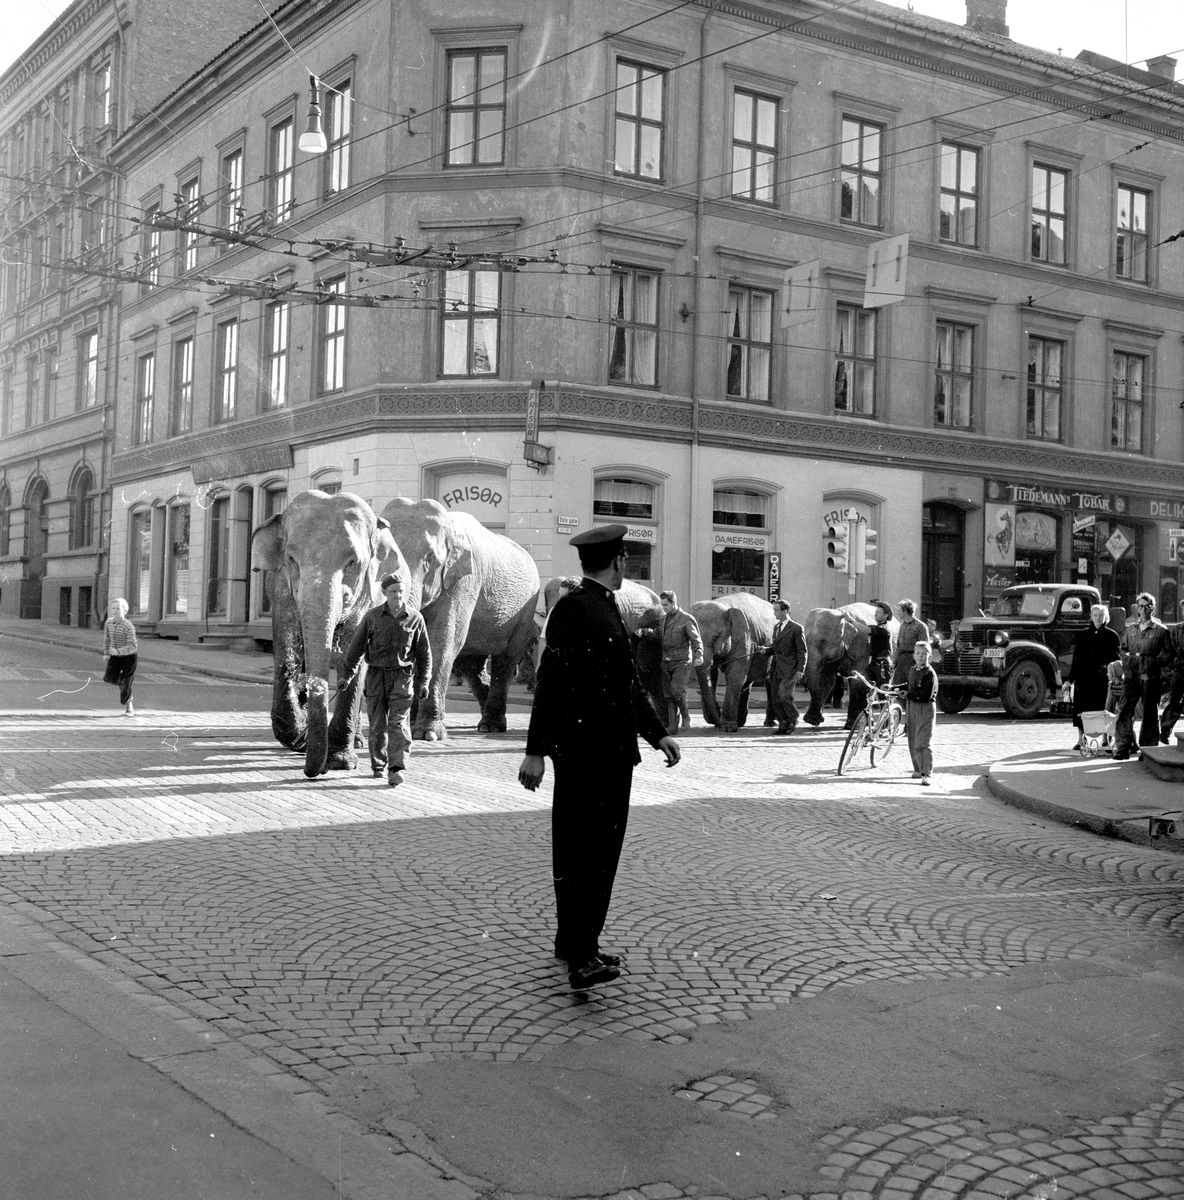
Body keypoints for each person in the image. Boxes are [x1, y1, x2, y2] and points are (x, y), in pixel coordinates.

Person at [518, 524, 680, 992]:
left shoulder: (603, 607)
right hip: (587, 756)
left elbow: (625, 685)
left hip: (607, 755)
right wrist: (534, 752)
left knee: (592, 852)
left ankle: (575, 941)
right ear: (620, 562)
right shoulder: (576, 607)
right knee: (585, 852)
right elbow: (549, 681)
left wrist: (658, 734)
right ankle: (582, 957)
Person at [341, 572, 431, 786]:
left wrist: (425, 681)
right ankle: (379, 765)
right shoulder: (372, 617)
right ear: (384, 593)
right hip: (376, 676)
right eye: (393, 592)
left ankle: (397, 767)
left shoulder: (415, 618)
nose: (398, 595)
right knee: (377, 724)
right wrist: (347, 674)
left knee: (399, 724)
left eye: (401, 591)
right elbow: (356, 648)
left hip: (402, 677)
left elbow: (424, 653)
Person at [1114, 592, 1171, 760]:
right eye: (1140, 606)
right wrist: (1126, 661)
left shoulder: (1161, 630)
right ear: (1136, 608)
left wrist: (1154, 663)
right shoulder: (1130, 629)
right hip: (1132, 671)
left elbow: (1168, 652)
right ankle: (1123, 747)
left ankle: (1147, 751)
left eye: (1147, 606)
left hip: (1149, 672)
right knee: (1124, 708)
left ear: (1152, 608)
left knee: (1149, 712)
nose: (1143, 610)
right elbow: (1123, 648)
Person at [638, 590, 704, 733]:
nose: (663, 608)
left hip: (682, 662)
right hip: (666, 661)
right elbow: (658, 635)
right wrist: (645, 632)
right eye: (662, 605)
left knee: (677, 690)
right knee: (668, 695)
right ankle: (673, 726)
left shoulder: (686, 619)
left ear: (674, 602)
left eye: (666, 605)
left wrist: (699, 656)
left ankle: (686, 717)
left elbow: (696, 640)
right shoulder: (663, 619)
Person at [1068, 604, 1122, 751]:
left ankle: (1105, 739)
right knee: (1081, 710)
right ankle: (1081, 739)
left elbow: (1116, 659)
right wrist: (1069, 679)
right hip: (1083, 679)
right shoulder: (1084, 634)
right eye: (1095, 615)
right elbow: (1076, 658)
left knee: (1104, 709)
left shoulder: (1112, 635)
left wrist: (1111, 674)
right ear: (1091, 617)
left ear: (1106, 618)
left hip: (1102, 680)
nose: (1098, 618)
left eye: (1101, 616)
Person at [763, 600, 807, 734]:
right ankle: (783, 723)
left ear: (785, 611)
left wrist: (801, 669)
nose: (774, 613)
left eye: (776, 610)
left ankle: (793, 719)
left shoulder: (796, 628)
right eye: (774, 610)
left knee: (784, 695)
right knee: (775, 697)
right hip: (776, 668)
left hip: (790, 668)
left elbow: (802, 651)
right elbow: (776, 648)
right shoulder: (776, 627)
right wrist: (765, 650)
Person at [906, 639, 938, 786]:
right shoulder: (913, 670)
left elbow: (925, 695)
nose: (920, 656)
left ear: (929, 657)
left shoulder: (929, 673)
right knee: (912, 740)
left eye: (924, 654)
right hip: (912, 707)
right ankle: (918, 769)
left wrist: (907, 694)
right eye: (918, 653)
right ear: (913, 656)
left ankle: (927, 773)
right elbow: (909, 687)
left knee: (923, 742)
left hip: (925, 708)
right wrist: (895, 688)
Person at [103, 598, 138, 716]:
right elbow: (107, 639)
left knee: (125, 681)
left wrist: (118, 651)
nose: (115, 611)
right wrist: (106, 653)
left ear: (125, 610)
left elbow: (133, 646)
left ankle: (129, 707)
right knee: (109, 678)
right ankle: (126, 689)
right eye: (113, 608)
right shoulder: (109, 623)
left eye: (118, 608)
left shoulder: (128, 625)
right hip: (115, 656)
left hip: (129, 657)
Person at [1158, 619, 1184, 744]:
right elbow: (1171, 650)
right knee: (1174, 701)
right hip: (1179, 671)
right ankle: (1164, 731)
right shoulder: (1178, 629)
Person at [892, 599, 927, 686]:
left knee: (912, 687)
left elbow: (924, 647)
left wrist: (920, 665)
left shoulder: (920, 626)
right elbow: (899, 647)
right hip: (901, 661)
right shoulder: (902, 626)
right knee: (897, 688)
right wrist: (894, 662)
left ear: (905, 611)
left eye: (899, 610)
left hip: (913, 661)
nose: (898, 613)